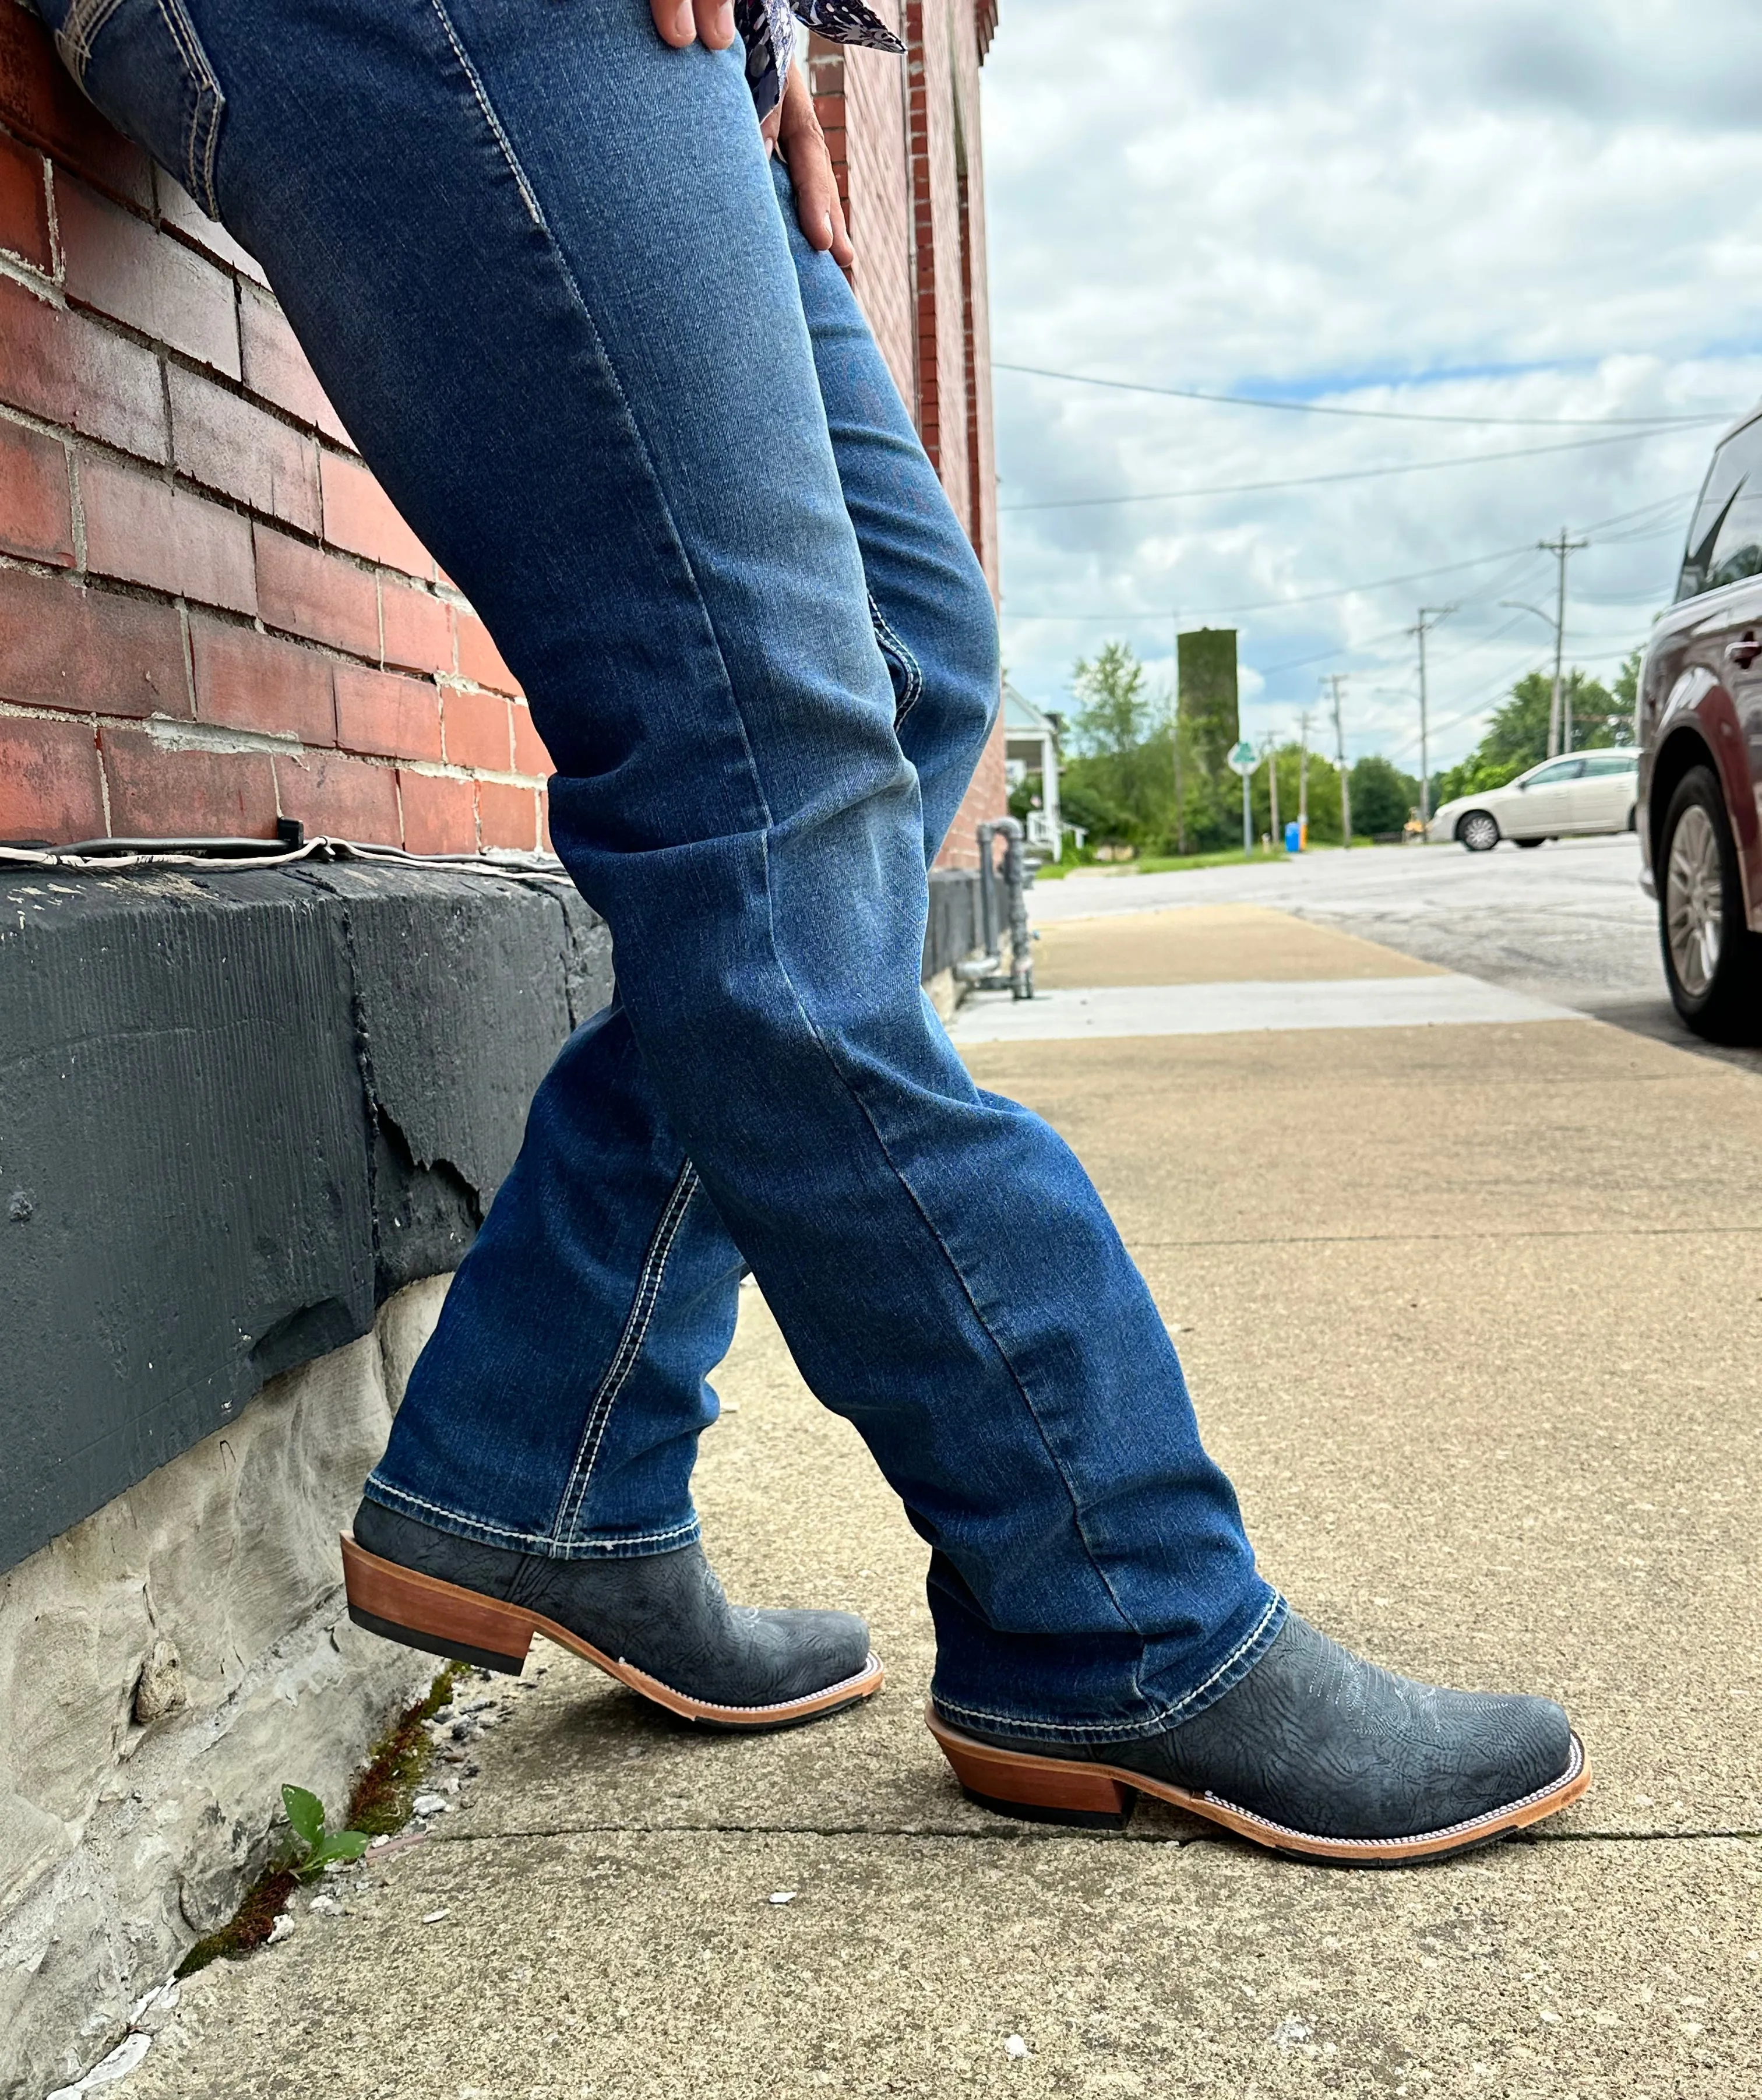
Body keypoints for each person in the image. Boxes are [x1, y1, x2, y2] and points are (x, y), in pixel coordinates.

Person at [45, 0, 1588, 1862]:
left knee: (911, 668)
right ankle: (1110, 1602)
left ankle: (551, 1457)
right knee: (759, 764)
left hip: (697, 56)